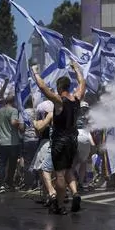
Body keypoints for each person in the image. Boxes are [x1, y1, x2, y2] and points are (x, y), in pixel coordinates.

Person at [32, 61, 86, 215]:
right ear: (68, 87)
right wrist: (76, 68)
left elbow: (43, 88)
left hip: (60, 142)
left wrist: (35, 72)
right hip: (72, 140)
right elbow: (82, 82)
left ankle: (60, 205)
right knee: (68, 170)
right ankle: (74, 194)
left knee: (60, 174)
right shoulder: (77, 98)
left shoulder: (59, 102)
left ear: (60, 88)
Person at [0, 95, 24, 193]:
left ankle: (1, 185)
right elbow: (13, 122)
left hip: (2, 142)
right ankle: (9, 183)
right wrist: (20, 124)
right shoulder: (13, 110)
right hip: (13, 142)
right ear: (14, 101)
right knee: (12, 165)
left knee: (1, 164)